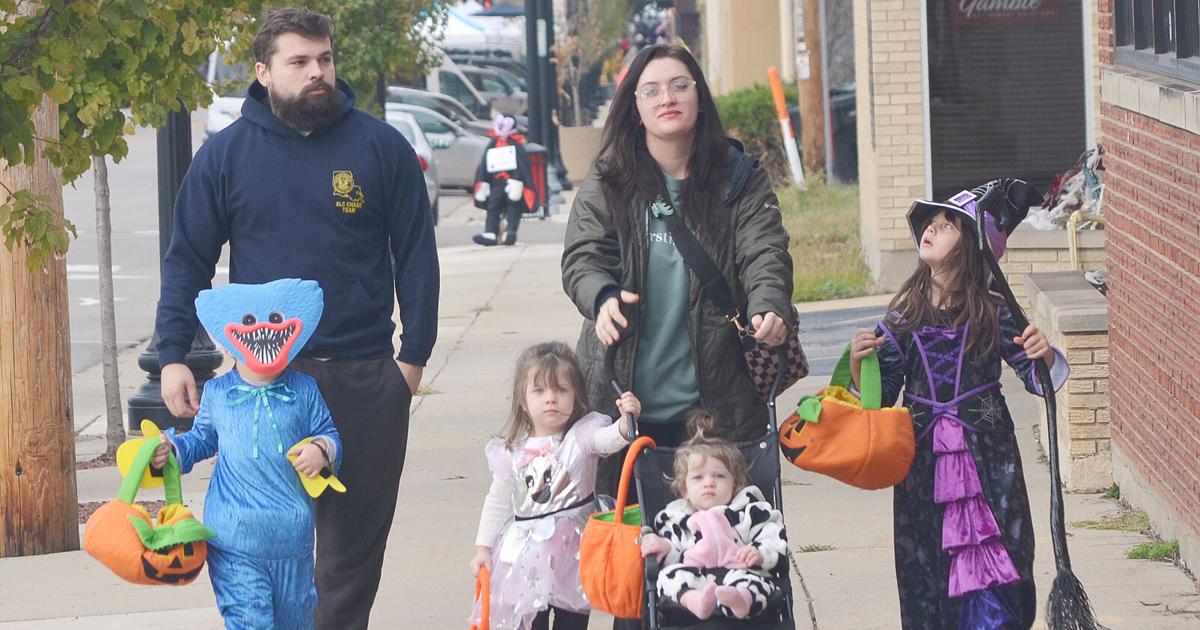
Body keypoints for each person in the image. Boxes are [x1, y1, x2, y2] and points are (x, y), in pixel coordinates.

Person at [152, 8, 438, 628]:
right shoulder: (226, 156)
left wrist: (410, 363)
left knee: (349, 557)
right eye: (300, 62)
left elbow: (417, 255)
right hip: (265, 383)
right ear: (263, 71)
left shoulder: (379, 146)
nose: (317, 73)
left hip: (364, 377)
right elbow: (188, 258)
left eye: (325, 59)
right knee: (261, 551)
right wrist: (173, 352)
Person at [849, 186, 1070, 629]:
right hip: (923, 468)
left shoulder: (993, 311)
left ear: (971, 245)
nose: (931, 228)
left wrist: (1043, 353)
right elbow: (879, 397)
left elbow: (1038, 380)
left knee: (999, 553)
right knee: (929, 564)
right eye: (929, 224)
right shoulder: (902, 316)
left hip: (989, 461)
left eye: (946, 224)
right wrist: (859, 366)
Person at [561, 43, 794, 459]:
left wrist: (768, 304)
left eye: (679, 86)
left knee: (722, 525)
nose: (666, 98)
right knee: (627, 524)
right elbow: (584, 255)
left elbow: (765, 251)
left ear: (699, 98)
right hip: (621, 402)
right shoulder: (609, 179)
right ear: (635, 108)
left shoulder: (740, 178)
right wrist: (602, 296)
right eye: (650, 90)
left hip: (718, 408)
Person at [150, 278, 342, 629]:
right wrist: (171, 450)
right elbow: (200, 441)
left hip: (293, 538)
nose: (264, 330)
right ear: (229, 339)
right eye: (252, 322)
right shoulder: (219, 394)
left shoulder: (304, 390)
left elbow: (330, 435)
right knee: (249, 621)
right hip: (233, 537)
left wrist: (322, 450)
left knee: (295, 622)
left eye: (273, 319)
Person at [469, 342, 641, 630]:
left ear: (576, 396)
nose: (551, 399)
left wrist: (626, 422)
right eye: (540, 391)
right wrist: (483, 547)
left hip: (574, 555)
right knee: (529, 621)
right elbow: (498, 499)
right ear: (523, 400)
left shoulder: (582, 436)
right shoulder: (512, 451)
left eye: (561, 390)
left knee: (572, 622)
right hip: (527, 559)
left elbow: (610, 439)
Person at [639, 412, 787, 621]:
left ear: (734, 484)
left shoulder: (748, 511)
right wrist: (664, 547)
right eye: (698, 477)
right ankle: (695, 600)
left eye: (719, 476)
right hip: (698, 578)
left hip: (739, 572)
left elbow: (773, 537)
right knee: (668, 577)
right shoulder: (676, 518)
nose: (709, 482)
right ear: (684, 490)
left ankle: (740, 601)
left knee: (758, 585)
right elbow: (677, 555)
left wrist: (760, 553)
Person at [472, 115, 536, 246]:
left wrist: (518, 180)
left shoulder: (516, 145)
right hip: (495, 183)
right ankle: (490, 233)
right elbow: (484, 165)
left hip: (513, 183)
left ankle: (510, 232)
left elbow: (522, 165)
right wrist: (483, 183)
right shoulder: (492, 144)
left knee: (513, 207)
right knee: (493, 207)